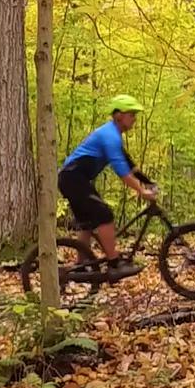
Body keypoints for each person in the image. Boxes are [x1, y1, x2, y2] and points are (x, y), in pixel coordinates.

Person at [60, 94, 157, 276]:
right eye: (131, 115)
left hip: (73, 179)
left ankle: (80, 266)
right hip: (73, 179)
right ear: (119, 115)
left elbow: (130, 165)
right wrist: (142, 191)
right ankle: (114, 264)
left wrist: (149, 182)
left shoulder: (112, 134)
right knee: (105, 214)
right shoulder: (110, 136)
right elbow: (122, 172)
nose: (134, 119)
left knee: (87, 224)